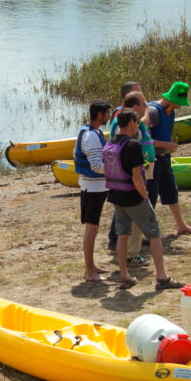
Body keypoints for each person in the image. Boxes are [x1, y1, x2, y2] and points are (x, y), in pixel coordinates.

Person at [104, 108, 179, 289]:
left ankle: (124, 275)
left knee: (122, 235)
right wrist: (145, 197)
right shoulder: (134, 145)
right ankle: (161, 277)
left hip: (116, 196)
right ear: (131, 122)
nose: (138, 126)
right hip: (133, 196)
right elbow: (137, 178)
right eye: (137, 123)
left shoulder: (109, 143)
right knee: (154, 233)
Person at [107, 92, 156, 263]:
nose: (146, 107)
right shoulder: (128, 137)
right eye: (144, 104)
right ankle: (131, 255)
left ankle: (127, 260)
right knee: (137, 226)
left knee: (125, 228)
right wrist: (144, 195)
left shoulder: (129, 124)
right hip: (131, 183)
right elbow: (131, 168)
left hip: (125, 183)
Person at [152, 82, 191, 235]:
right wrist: (166, 144)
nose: (181, 106)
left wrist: (168, 147)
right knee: (151, 195)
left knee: (171, 190)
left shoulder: (171, 111)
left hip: (165, 158)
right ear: (172, 99)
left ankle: (181, 225)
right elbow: (142, 139)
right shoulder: (153, 111)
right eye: (179, 103)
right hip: (152, 160)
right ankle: (147, 231)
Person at [76, 101, 115, 282]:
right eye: (107, 113)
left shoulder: (91, 132)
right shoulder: (91, 137)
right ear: (100, 115)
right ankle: (88, 272)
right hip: (92, 188)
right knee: (91, 229)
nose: (109, 117)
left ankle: (92, 266)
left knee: (93, 228)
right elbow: (97, 166)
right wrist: (118, 169)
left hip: (94, 187)